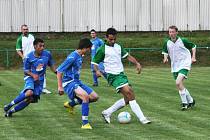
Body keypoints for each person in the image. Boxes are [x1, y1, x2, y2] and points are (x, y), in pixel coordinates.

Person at [91, 28, 151, 124]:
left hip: (121, 74)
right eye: (110, 39)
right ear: (106, 38)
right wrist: (97, 71)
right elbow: (94, 62)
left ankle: (107, 112)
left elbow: (128, 56)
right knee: (129, 92)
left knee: (127, 99)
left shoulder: (118, 47)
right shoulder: (102, 49)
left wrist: (137, 63)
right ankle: (142, 118)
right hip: (112, 75)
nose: (113, 41)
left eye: (114, 39)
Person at [4, 38, 57, 117]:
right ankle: (9, 105)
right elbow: (26, 71)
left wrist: (57, 73)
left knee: (30, 99)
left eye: (43, 46)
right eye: (40, 46)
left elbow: (52, 65)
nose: (42, 48)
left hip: (40, 81)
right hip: (30, 77)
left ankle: (11, 112)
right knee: (29, 92)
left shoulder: (47, 54)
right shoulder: (29, 57)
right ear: (35, 46)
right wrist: (33, 75)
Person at [56, 38, 99, 129]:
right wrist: (60, 87)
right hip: (69, 82)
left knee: (95, 97)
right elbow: (59, 71)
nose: (89, 51)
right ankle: (85, 123)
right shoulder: (72, 57)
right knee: (85, 97)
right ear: (84, 48)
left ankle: (71, 104)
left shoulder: (80, 55)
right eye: (88, 49)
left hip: (77, 82)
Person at [162, 25, 196, 110]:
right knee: (180, 84)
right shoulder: (167, 42)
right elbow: (165, 51)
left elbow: (193, 46)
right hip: (175, 66)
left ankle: (185, 103)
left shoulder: (183, 40)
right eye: (170, 32)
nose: (171, 33)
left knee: (178, 82)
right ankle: (191, 100)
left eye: (173, 32)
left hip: (185, 63)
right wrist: (165, 58)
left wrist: (193, 57)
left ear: (177, 32)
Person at [16, 24, 51, 94]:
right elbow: (18, 50)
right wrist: (23, 57)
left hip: (36, 57)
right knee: (29, 73)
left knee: (42, 71)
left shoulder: (32, 36)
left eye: (26, 29)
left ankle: (43, 88)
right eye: (24, 29)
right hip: (28, 59)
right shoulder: (20, 39)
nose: (26, 30)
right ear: (21, 30)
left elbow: (37, 45)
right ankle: (28, 88)